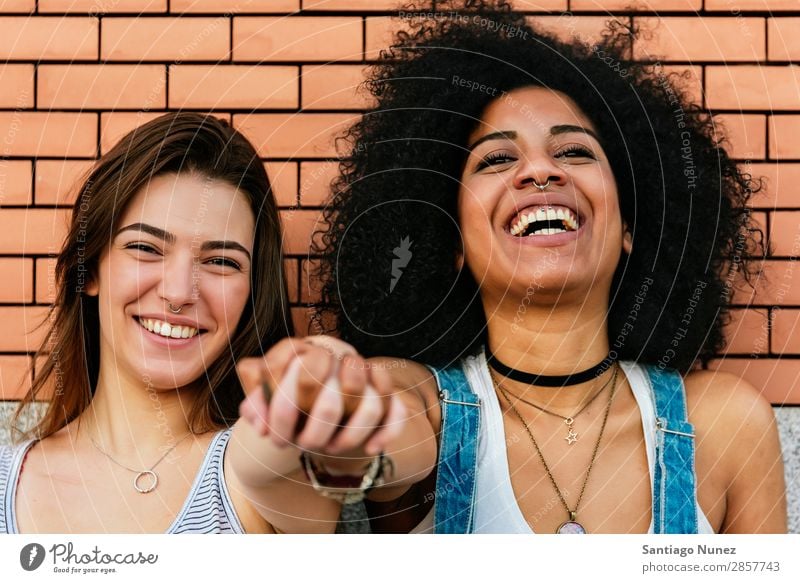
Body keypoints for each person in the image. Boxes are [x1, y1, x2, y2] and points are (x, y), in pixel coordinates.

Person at [238, 0, 786, 534]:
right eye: (498, 159)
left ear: (628, 229)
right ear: (450, 242)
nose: (540, 170)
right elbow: (378, 423)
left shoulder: (725, 425)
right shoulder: (428, 406)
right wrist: (331, 405)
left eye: (574, 152)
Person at [0, 112, 404, 534]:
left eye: (220, 261)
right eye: (145, 248)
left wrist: (325, 373)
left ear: (252, 292)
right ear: (92, 270)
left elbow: (282, 450)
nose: (178, 293)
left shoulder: (256, 475)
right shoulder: (7, 481)